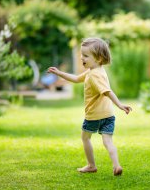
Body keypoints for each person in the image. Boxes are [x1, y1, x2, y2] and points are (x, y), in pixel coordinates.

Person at [47, 37, 132, 176]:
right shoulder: (97, 70)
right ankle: (116, 166)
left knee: (85, 138)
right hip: (108, 115)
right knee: (108, 141)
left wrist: (120, 105)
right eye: (82, 55)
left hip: (94, 116)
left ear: (98, 58)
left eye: (86, 55)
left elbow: (107, 92)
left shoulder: (93, 75)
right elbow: (75, 79)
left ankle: (91, 165)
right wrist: (58, 73)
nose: (82, 58)